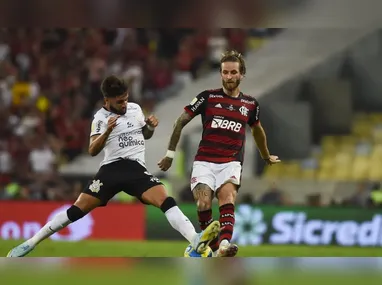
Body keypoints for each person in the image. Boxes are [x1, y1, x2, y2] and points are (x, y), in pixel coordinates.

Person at [7, 75, 220, 257]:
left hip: (136, 169)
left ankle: (195, 241)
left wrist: (150, 127)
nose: (124, 104)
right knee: (76, 211)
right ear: (107, 100)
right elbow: (92, 150)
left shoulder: (135, 109)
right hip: (111, 170)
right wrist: (107, 132)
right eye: (119, 101)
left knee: (166, 199)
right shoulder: (100, 118)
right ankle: (31, 242)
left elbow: (144, 136)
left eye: (126, 99)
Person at [158, 50, 280, 257]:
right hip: (204, 162)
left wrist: (265, 155)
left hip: (231, 162)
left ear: (242, 74)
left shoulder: (250, 104)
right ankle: (214, 250)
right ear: (221, 74)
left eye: (234, 72)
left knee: (227, 197)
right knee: (203, 203)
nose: (229, 77)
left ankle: (224, 244)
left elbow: (257, 131)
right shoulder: (207, 97)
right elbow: (180, 121)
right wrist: (170, 154)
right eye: (225, 72)